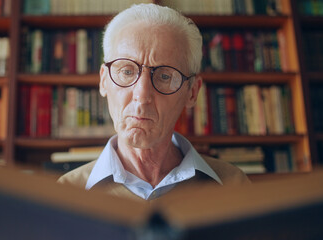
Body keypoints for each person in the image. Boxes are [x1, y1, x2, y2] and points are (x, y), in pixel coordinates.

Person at [58, 3, 250, 200]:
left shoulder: (233, 187)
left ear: (192, 92)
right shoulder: (65, 194)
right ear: (104, 81)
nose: (142, 95)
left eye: (165, 76)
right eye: (126, 71)